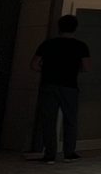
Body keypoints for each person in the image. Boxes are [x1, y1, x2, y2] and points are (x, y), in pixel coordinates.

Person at [30, 14, 91, 163]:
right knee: (70, 119)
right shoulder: (80, 46)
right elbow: (87, 67)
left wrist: (46, 70)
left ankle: (49, 154)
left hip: (49, 84)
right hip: (70, 86)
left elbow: (34, 65)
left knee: (48, 120)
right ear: (75, 28)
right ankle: (69, 153)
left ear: (59, 28)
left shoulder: (48, 44)